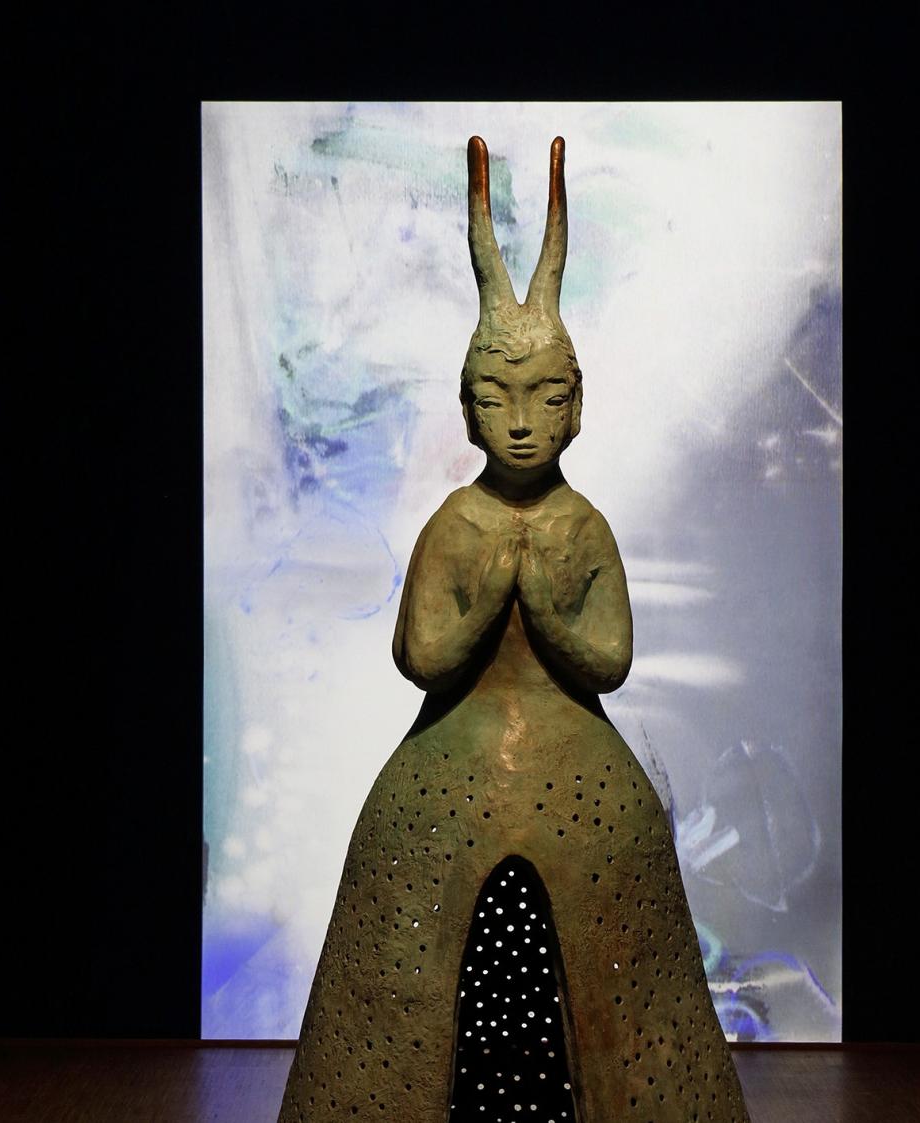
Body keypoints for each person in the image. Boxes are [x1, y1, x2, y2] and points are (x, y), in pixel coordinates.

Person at [278, 136, 750, 1123]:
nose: (522, 422)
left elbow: (609, 660)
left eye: (546, 397)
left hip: (587, 792)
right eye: (497, 399)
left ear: (577, 410)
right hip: (443, 788)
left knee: (590, 984)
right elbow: (421, 657)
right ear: (468, 411)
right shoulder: (457, 524)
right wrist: (493, 595)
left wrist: (548, 612)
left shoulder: (583, 527)